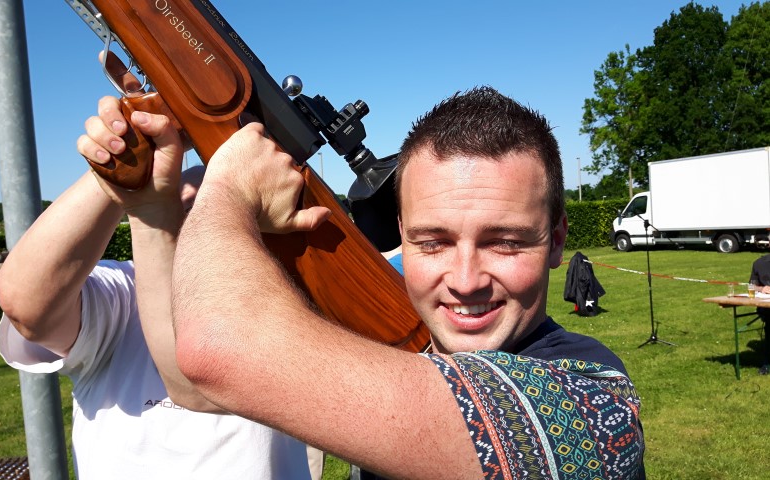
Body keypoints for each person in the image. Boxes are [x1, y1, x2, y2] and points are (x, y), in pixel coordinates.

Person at [165, 85, 644, 479]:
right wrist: (149, 202)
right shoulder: (402, 353)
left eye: (504, 242)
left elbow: (214, 349)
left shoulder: (595, 405)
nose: (465, 281)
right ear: (402, 236)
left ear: (556, 240)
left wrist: (229, 187)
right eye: (432, 242)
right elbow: (191, 391)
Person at [0, 85, 311, 477]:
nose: (202, 227)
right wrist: (127, 161)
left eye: (224, 214)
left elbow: (203, 382)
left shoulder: (285, 302)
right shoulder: (122, 291)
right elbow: (26, 301)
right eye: (186, 208)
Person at [749, 254, 770, 375]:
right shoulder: (759, 263)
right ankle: (767, 363)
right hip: (766, 307)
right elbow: (751, 286)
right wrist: (761, 289)